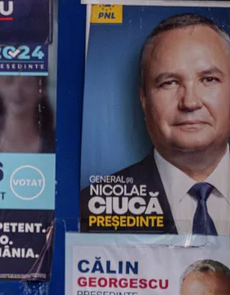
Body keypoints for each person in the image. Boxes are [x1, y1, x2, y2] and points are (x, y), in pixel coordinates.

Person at [81, 14, 230, 235]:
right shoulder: (90, 209)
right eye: (169, 83)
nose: (190, 102)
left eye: (208, 79)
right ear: (143, 100)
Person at [0, 75, 54, 153]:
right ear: (0, 86)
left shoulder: (55, 144)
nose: (17, 90)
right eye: (9, 81)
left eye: (27, 82)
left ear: (41, 89)